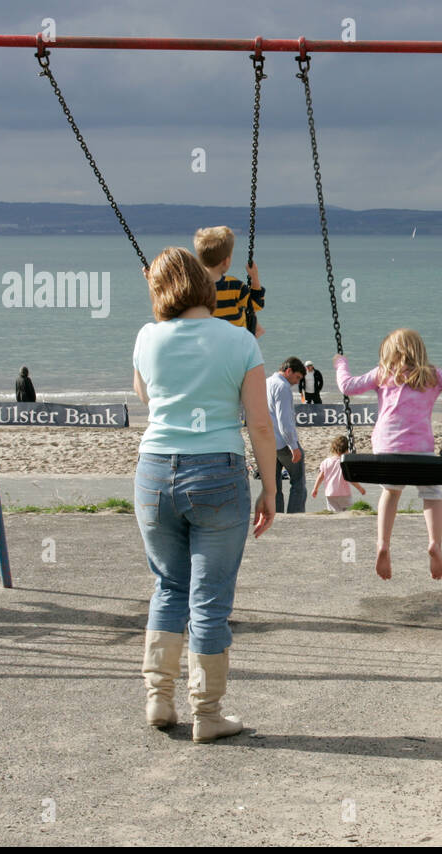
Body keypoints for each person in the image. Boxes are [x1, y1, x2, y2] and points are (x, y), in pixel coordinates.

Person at [132, 246, 276, 743]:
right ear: (204, 282)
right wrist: (270, 488)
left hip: (153, 473)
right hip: (217, 472)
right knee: (209, 598)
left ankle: (158, 697)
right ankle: (208, 713)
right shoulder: (239, 341)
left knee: (168, 586)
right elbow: (259, 422)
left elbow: (147, 396)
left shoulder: (147, 337)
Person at [336, 329, 442, 580]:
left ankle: (383, 544)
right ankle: (434, 543)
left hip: (386, 449)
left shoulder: (382, 374)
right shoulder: (432, 375)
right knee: (432, 495)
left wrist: (341, 362)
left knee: (390, 492)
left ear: (389, 352)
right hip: (421, 451)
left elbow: (347, 386)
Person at [193, 226, 266, 339]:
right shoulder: (235, 287)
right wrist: (254, 277)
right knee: (248, 313)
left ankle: (258, 329)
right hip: (234, 343)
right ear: (226, 261)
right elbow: (256, 305)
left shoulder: (194, 287)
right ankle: (258, 330)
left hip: (207, 343)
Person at [267, 357, 306, 514]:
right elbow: (285, 421)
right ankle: (295, 516)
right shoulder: (282, 387)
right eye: (296, 377)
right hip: (283, 443)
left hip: (267, 443)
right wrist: (294, 446)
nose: (296, 382)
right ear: (288, 370)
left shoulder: (265, 382)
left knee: (274, 486)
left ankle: (276, 516)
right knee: (298, 483)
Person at [310, 435, 368, 510]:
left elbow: (320, 476)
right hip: (344, 494)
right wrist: (360, 488)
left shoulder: (326, 462)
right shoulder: (345, 463)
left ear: (333, 448)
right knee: (348, 512)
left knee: (334, 514)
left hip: (330, 493)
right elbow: (350, 479)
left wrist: (315, 488)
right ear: (347, 449)